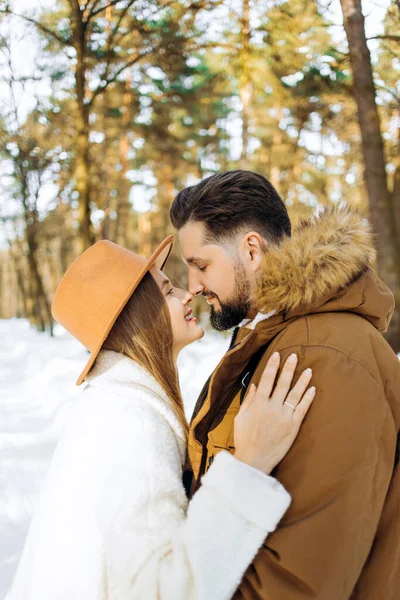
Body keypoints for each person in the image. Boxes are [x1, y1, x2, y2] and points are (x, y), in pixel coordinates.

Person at [6, 236, 316, 600]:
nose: (187, 294)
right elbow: (166, 590)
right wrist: (250, 465)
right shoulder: (129, 424)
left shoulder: (110, 406)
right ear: (138, 316)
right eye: (167, 290)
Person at [170, 170, 400, 600]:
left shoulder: (325, 357)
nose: (194, 286)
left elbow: (302, 579)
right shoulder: (269, 337)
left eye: (201, 265)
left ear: (251, 250)